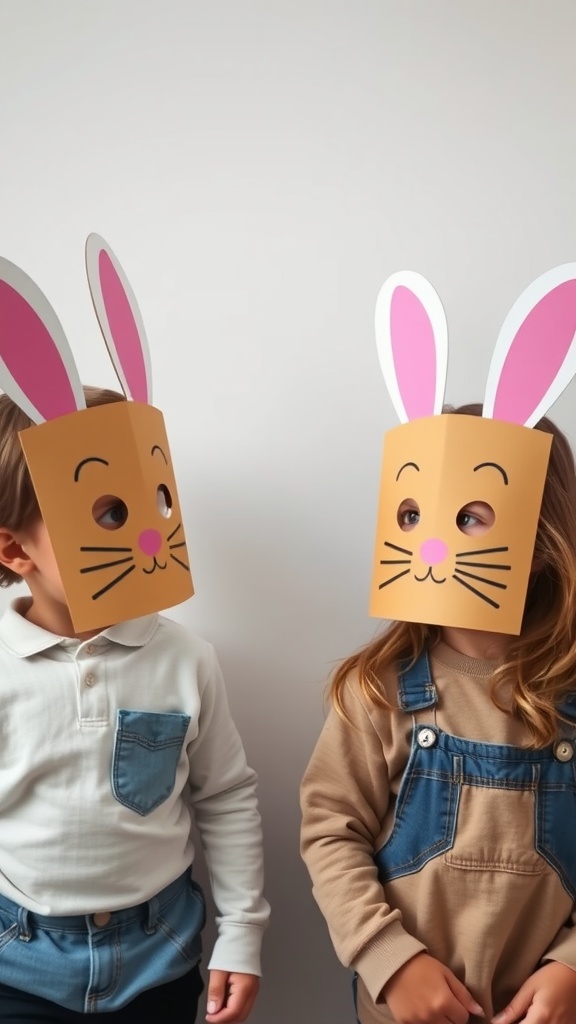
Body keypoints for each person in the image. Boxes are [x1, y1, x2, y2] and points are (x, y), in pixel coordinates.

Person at [0, 233, 269, 1024]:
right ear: (15, 551)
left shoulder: (185, 659)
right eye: (109, 514)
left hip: (161, 959)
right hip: (18, 967)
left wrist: (242, 936)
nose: (146, 533)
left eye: (152, 503)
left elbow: (225, 797)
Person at [301, 261, 576, 1024]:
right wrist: (392, 962)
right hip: (405, 1010)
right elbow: (332, 833)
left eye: (470, 518)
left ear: (543, 538)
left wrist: (572, 968)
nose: (432, 544)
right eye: (417, 514)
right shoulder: (380, 691)